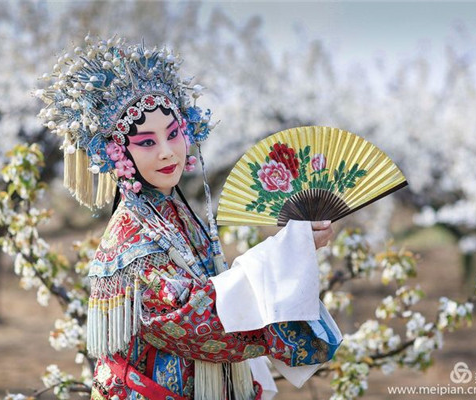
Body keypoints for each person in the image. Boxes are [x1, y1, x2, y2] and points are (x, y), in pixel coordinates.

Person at [36, 34, 341, 400]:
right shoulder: (132, 235)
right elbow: (197, 321)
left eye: (174, 133)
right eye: (147, 142)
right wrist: (288, 252)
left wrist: (292, 248)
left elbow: (217, 292)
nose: (168, 153)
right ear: (118, 154)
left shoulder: (176, 213)